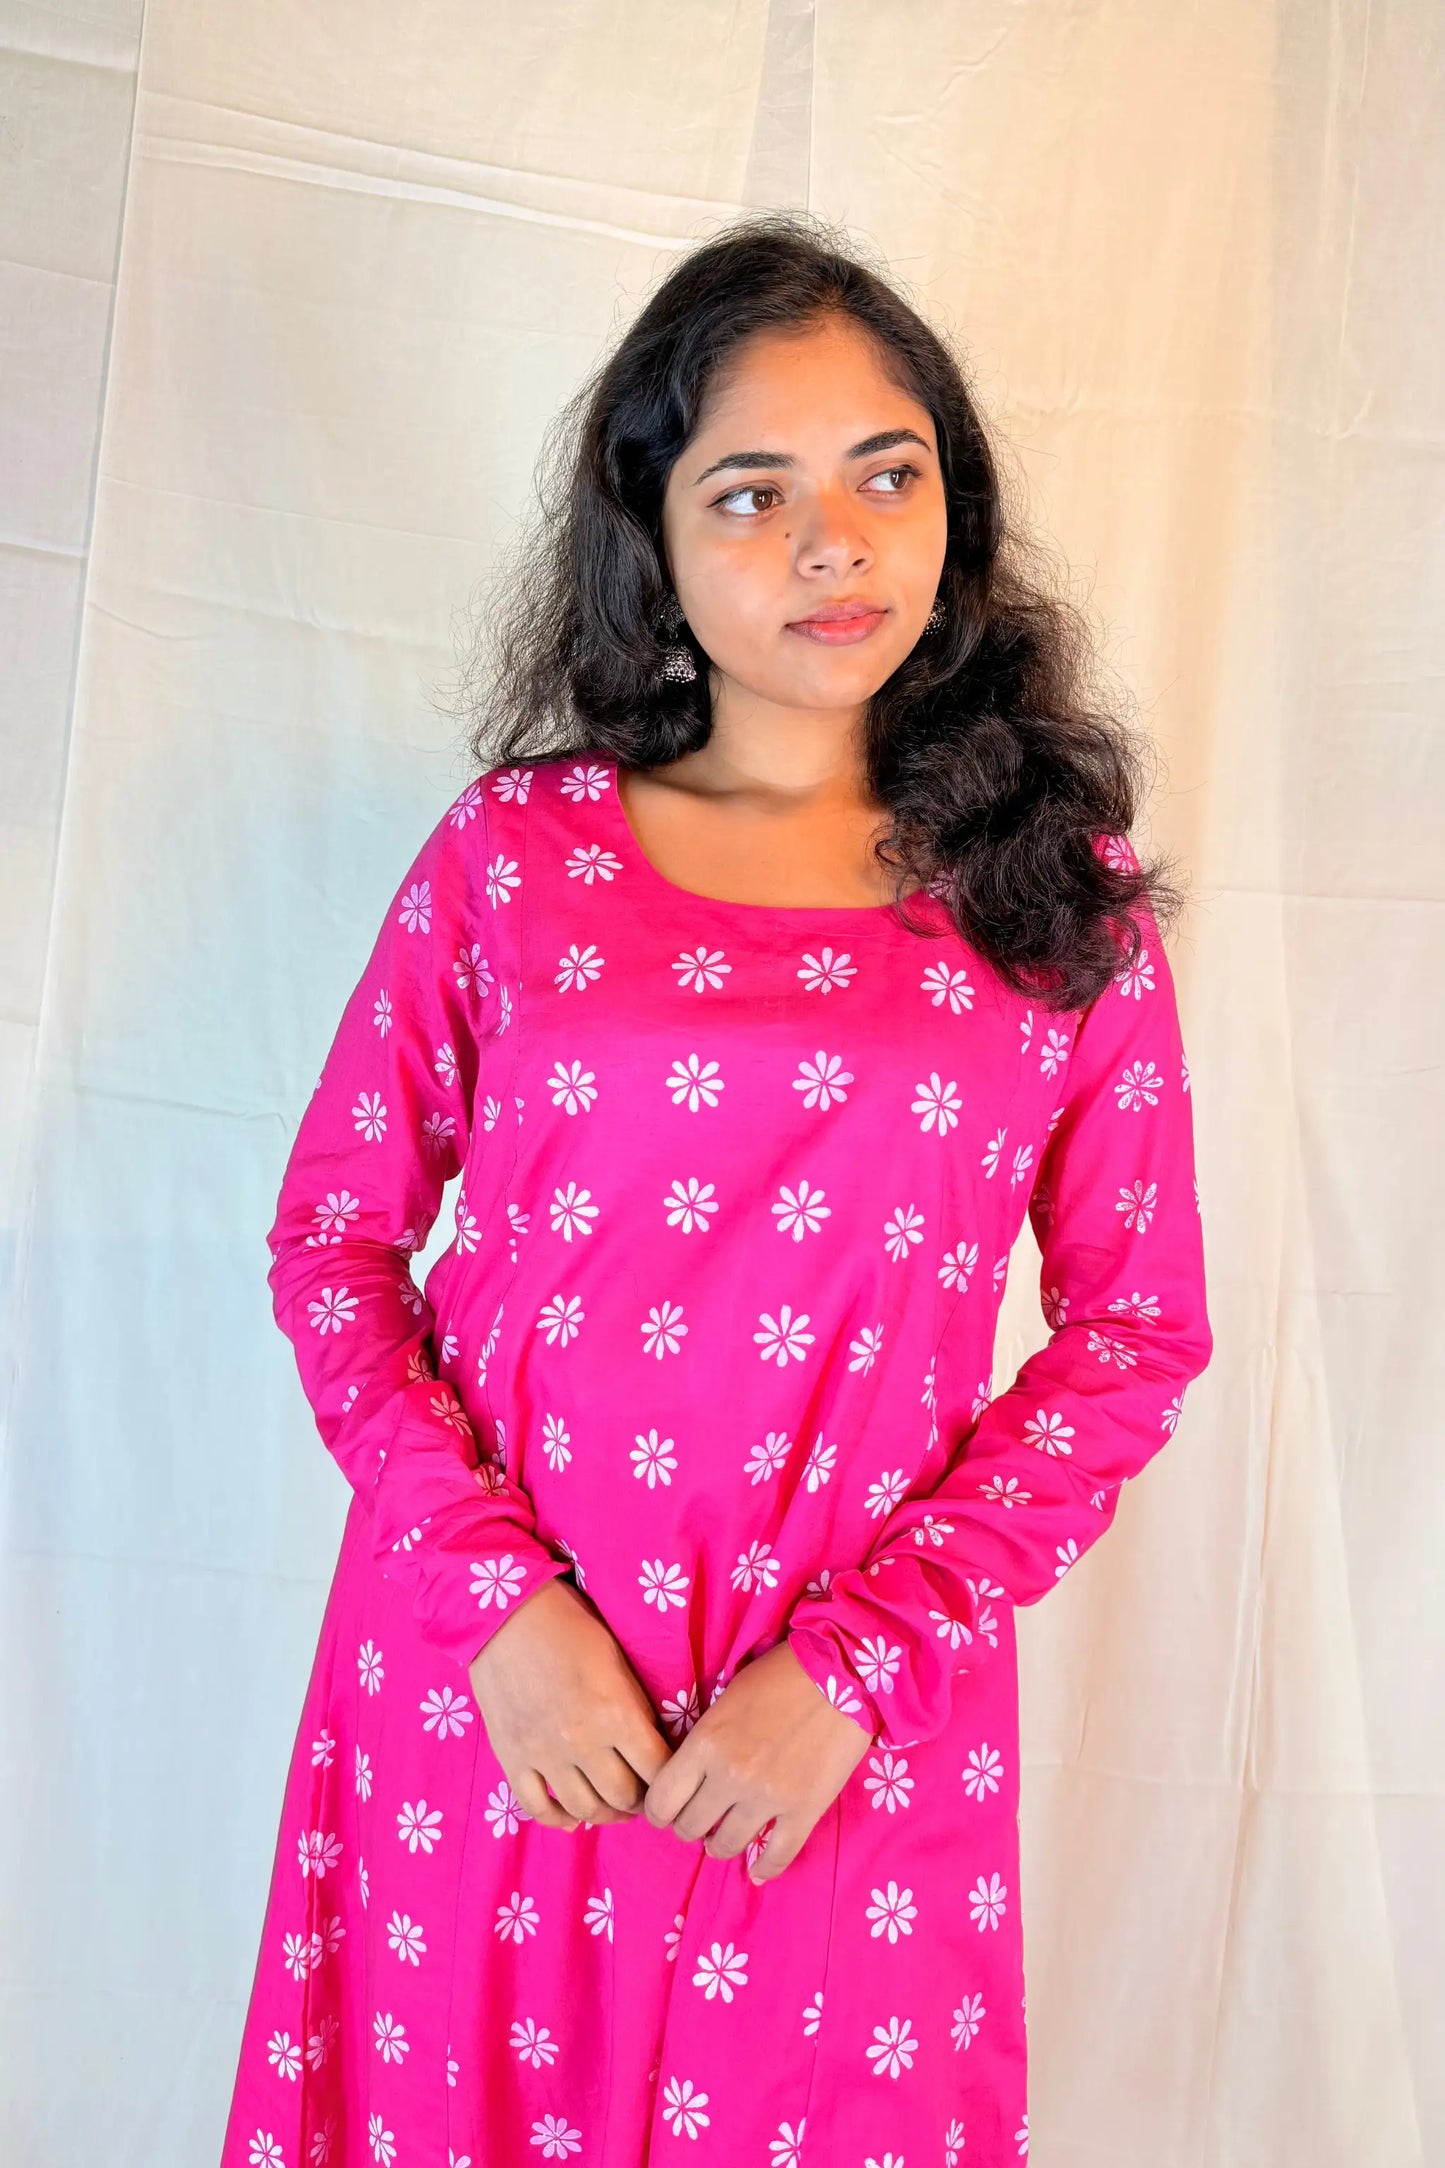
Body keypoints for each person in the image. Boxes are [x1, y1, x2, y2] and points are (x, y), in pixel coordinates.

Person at [221, 209, 1212, 2168]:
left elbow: (1136, 1332)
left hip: (833, 1748)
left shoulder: (1054, 905)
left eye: (885, 470)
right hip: (497, 1717)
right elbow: (334, 1237)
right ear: (650, 536)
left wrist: (860, 1665)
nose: (832, 539)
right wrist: (497, 1606)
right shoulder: (517, 860)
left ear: (954, 501)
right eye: (751, 492)